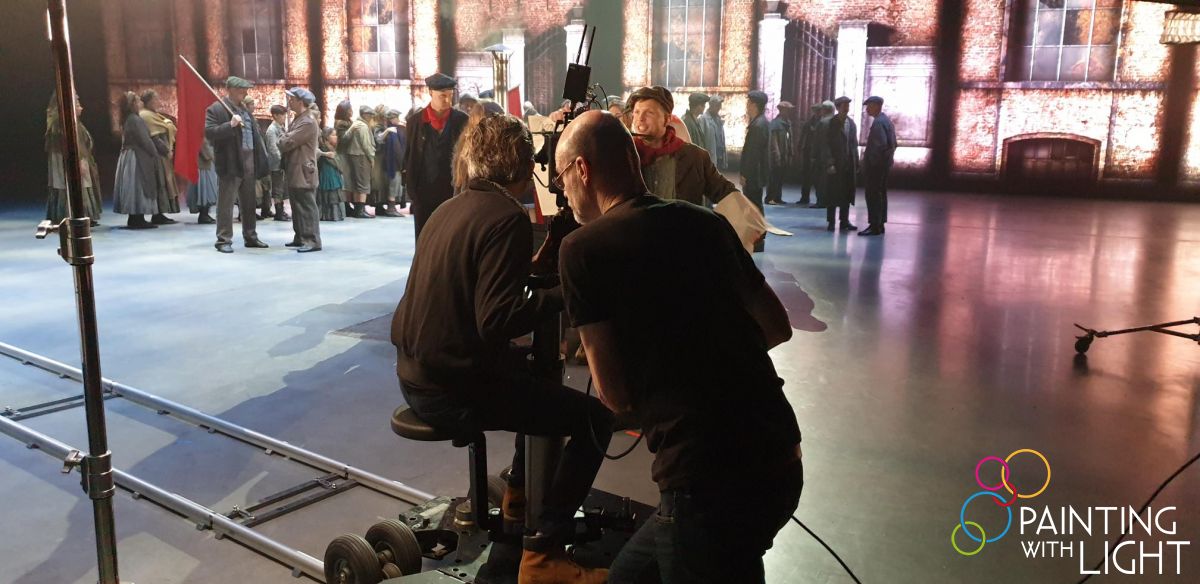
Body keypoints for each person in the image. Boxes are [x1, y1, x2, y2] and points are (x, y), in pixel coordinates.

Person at [552, 111, 802, 584]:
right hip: (780, 457)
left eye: (561, 177)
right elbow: (776, 326)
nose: (562, 192)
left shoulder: (581, 249)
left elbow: (615, 395)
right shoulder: (706, 222)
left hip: (703, 483)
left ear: (582, 169)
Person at [390, 114, 612, 584]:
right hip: (450, 391)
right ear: (521, 164)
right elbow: (496, 320)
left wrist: (530, 272)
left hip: (415, 375)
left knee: (533, 377)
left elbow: (475, 286)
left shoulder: (451, 208)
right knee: (595, 419)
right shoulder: (507, 216)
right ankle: (543, 553)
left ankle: (518, 496)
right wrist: (566, 292)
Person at [625, 86, 766, 249]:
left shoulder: (694, 157)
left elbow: (723, 191)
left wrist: (748, 220)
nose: (640, 119)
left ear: (666, 119)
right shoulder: (623, 156)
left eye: (649, 113)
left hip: (682, 245)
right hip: (637, 245)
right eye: (636, 112)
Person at [204, 76, 270, 253]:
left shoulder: (245, 110)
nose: (245, 93)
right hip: (231, 162)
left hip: (249, 161)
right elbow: (209, 132)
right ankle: (223, 240)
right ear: (231, 90)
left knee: (249, 202)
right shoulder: (217, 109)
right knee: (226, 203)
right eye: (242, 90)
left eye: (246, 90)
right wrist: (229, 125)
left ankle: (251, 236)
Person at [403, 72, 469, 245]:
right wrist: (411, 189)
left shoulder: (461, 120)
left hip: (452, 188)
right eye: (442, 96)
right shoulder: (415, 122)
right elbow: (410, 156)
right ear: (431, 93)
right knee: (424, 236)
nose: (447, 100)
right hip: (423, 189)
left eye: (450, 96)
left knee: (451, 236)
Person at [44, 91, 103, 226]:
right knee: (71, 186)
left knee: (82, 185)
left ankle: (85, 215)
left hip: (77, 159)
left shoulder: (73, 123)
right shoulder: (60, 123)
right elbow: (68, 145)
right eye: (76, 104)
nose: (80, 107)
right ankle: (69, 215)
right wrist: (78, 161)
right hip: (67, 161)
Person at [277, 87, 322, 253]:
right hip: (296, 169)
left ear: (301, 102)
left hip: (303, 170)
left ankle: (312, 240)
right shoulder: (299, 119)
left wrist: (283, 139)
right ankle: (301, 237)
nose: (289, 102)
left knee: (306, 206)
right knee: (296, 205)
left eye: (292, 99)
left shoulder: (307, 122)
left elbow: (286, 142)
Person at [112, 91, 162, 229]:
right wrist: (154, 153)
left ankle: (134, 217)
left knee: (134, 186)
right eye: (138, 101)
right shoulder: (135, 119)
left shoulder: (128, 119)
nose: (140, 103)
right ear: (133, 104)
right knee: (138, 185)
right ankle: (137, 217)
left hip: (130, 155)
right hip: (136, 157)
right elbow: (145, 140)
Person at [139, 89, 180, 225]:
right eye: (155, 99)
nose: (158, 102)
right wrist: (166, 151)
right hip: (157, 156)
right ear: (149, 101)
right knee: (160, 182)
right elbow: (155, 138)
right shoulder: (146, 116)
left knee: (163, 182)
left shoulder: (155, 115)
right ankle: (157, 213)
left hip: (163, 155)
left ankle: (160, 213)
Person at [860, 95, 896, 236]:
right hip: (883, 165)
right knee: (880, 194)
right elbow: (893, 144)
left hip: (876, 167)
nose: (867, 109)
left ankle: (874, 225)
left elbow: (879, 146)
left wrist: (871, 164)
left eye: (869, 106)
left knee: (873, 195)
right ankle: (880, 224)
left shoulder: (879, 123)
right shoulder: (886, 121)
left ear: (876, 106)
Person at [822, 96, 858, 232]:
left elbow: (854, 144)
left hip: (848, 164)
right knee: (832, 193)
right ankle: (831, 221)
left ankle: (844, 221)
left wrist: (856, 162)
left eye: (848, 105)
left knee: (846, 194)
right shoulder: (832, 123)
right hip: (836, 164)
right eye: (844, 106)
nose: (846, 108)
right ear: (838, 107)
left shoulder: (851, 123)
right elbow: (826, 144)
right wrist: (830, 162)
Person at [742, 90, 772, 250]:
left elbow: (752, 154)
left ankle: (758, 239)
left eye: (749, 103)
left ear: (754, 105)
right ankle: (757, 238)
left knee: (754, 207)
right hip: (756, 173)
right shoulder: (760, 123)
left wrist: (745, 174)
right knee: (755, 205)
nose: (747, 105)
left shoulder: (758, 125)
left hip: (754, 174)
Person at [342, 105, 377, 218]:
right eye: (370, 115)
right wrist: (371, 158)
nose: (371, 117)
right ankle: (360, 210)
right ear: (365, 115)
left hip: (354, 155)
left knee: (357, 183)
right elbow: (366, 145)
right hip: (361, 156)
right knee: (363, 183)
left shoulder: (355, 124)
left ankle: (358, 209)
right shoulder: (363, 126)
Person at [264, 104, 290, 221]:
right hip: (276, 164)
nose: (284, 117)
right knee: (277, 188)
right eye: (282, 115)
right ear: (275, 115)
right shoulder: (272, 130)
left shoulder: (281, 127)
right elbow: (273, 149)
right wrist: (281, 160)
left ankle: (281, 210)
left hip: (282, 163)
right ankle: (279, 212)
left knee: (282, 188)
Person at [765, 101, 795, 205]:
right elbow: (773, 142)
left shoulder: (787, 123)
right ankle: (770, 198)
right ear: (782, 110)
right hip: (777, 156)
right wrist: (777, 155)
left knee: (780, 178)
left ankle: (778, 197)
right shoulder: (775, 123)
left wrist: (791, 153)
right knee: (774, 178)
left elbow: (790, 139)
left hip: (784, 154)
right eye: (788, 110)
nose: (789, 112)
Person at [379, 109, 408, 214]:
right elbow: (397, 150)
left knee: (393, 185)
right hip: (394, 164)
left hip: (390, 163)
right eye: (396, 118)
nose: (398, 120)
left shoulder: (390, 130)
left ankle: (391, 207)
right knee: (394, 185)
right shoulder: (393, 131)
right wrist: (402, 164)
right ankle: (391, 209)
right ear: (391, 119)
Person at [796, 103, 823, 207]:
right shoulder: (808, 123)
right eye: (816, 110)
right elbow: (803, 136)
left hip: (818, 153)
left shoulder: (823, 123)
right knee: (806, 176)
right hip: (807, 152)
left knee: (818, 177)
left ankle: (820, 199)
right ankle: (804, 198)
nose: (817, 112)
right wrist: (799, 148)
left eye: (819, 110)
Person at [186, 138, 218, 224]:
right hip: (203, 164)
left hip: (202, 162)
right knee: (205, 190)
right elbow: (203, 144)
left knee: (204, 190)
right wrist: (212, 156)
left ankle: (204, 214)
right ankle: (203, 215)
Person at [317, 128, 346, 221]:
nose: (336, 137)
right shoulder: (324, 150)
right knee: (330, 192)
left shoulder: (332, 149)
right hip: (327, 176)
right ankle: (328, 215)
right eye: (333, 135)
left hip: (334, 175)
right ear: (326, 137)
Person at [703, 95, 727, 170]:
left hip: (719, 156)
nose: (719, 108)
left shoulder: (718, 119)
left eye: (720, 105)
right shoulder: (704, 119)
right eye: (717, 105)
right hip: (710, 156)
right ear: (711, 105)